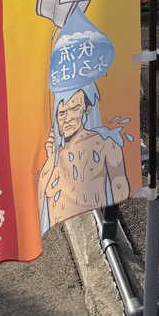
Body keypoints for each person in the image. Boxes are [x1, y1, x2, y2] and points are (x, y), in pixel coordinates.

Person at [37, 85, 129, 231]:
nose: (67, 119)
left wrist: (109, 227)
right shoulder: (53, 153)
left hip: (92, 224)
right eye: (61, 113)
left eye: (74, 109)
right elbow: (40, 204)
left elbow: (121, 189)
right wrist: (51, 160)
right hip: (57, 227)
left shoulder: (105, 144)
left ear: (86, 109)